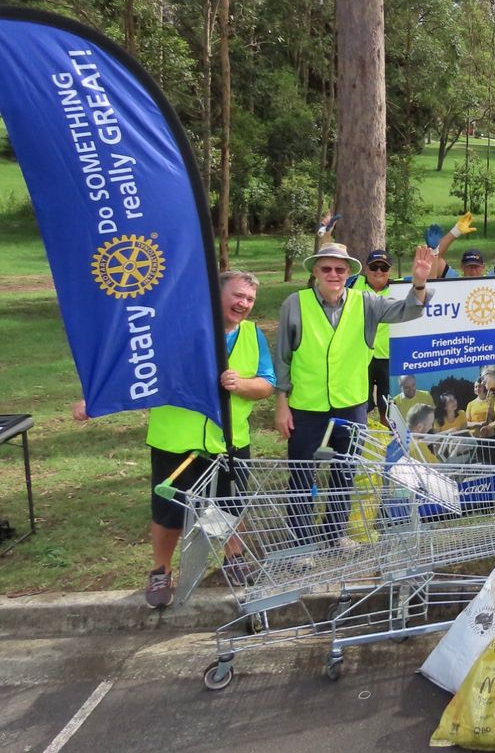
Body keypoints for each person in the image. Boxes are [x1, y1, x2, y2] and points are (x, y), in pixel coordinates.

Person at [73, 270, 276, 608]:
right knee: (168, 512)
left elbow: (267, 384)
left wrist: (241, 385)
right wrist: (95, 401)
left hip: (228, 442)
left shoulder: (254, 336)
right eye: (237, 295)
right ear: (216, 294)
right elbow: (136, 371)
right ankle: (161, 570)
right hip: (175, 441)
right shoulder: (175, 330)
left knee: (230, 506)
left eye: (250, 299)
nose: (243, 303)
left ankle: (235, 556)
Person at [275, 242, 433, 549]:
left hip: (351, 406)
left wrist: (420, 281)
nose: (333, 274)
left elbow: (410, 309)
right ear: (315, 273)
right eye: (326, 269)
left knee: (344, 473)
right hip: (306, 407)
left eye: (340, 269)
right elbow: (283, 360)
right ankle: (302, 544)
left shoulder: (366, 303)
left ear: (348, 273)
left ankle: (334, 535)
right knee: (302, 476)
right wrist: (281, 405)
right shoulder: (294, 304)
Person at [348, 249, 395, 424]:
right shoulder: (353, 283)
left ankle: (386, 442)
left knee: (388, 407)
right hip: (359, 355)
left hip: (388, 357)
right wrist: (325, 237)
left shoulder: (399, 288)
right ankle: (362, 441)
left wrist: (434, 252)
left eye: (384, 268)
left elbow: (430, 284)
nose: (378, 272)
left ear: (389, 271)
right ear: (366, 269)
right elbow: (328, 274)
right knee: (360, 404)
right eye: (374, 267)